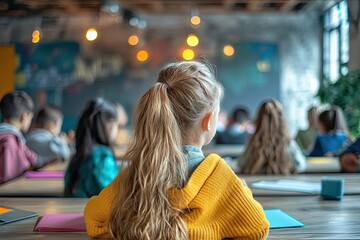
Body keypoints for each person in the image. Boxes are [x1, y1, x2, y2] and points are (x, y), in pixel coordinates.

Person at [84, 61, 269, 239]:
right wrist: (243, 192)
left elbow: (94, 217)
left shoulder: (136, 174)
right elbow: (257, 228)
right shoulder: (220, 177)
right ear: (208, 120)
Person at [64, 98, 120, 197]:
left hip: (74, 210)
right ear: (110, 126)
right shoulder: (103, 160)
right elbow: (116, 197)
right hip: (93, 212)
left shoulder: (77, 158)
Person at [240, 99, 306, 175]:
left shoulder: (254, 142)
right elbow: (301, 165)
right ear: (282, 120)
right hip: (284, 183)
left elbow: (241, 163)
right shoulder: (288, 143)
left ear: (258, 119)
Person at [0, 91, 49, 184]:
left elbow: (32, 157)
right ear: (24, 117)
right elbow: (7, 182)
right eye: (31, 118)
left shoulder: (12, 137)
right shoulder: (10, 142)